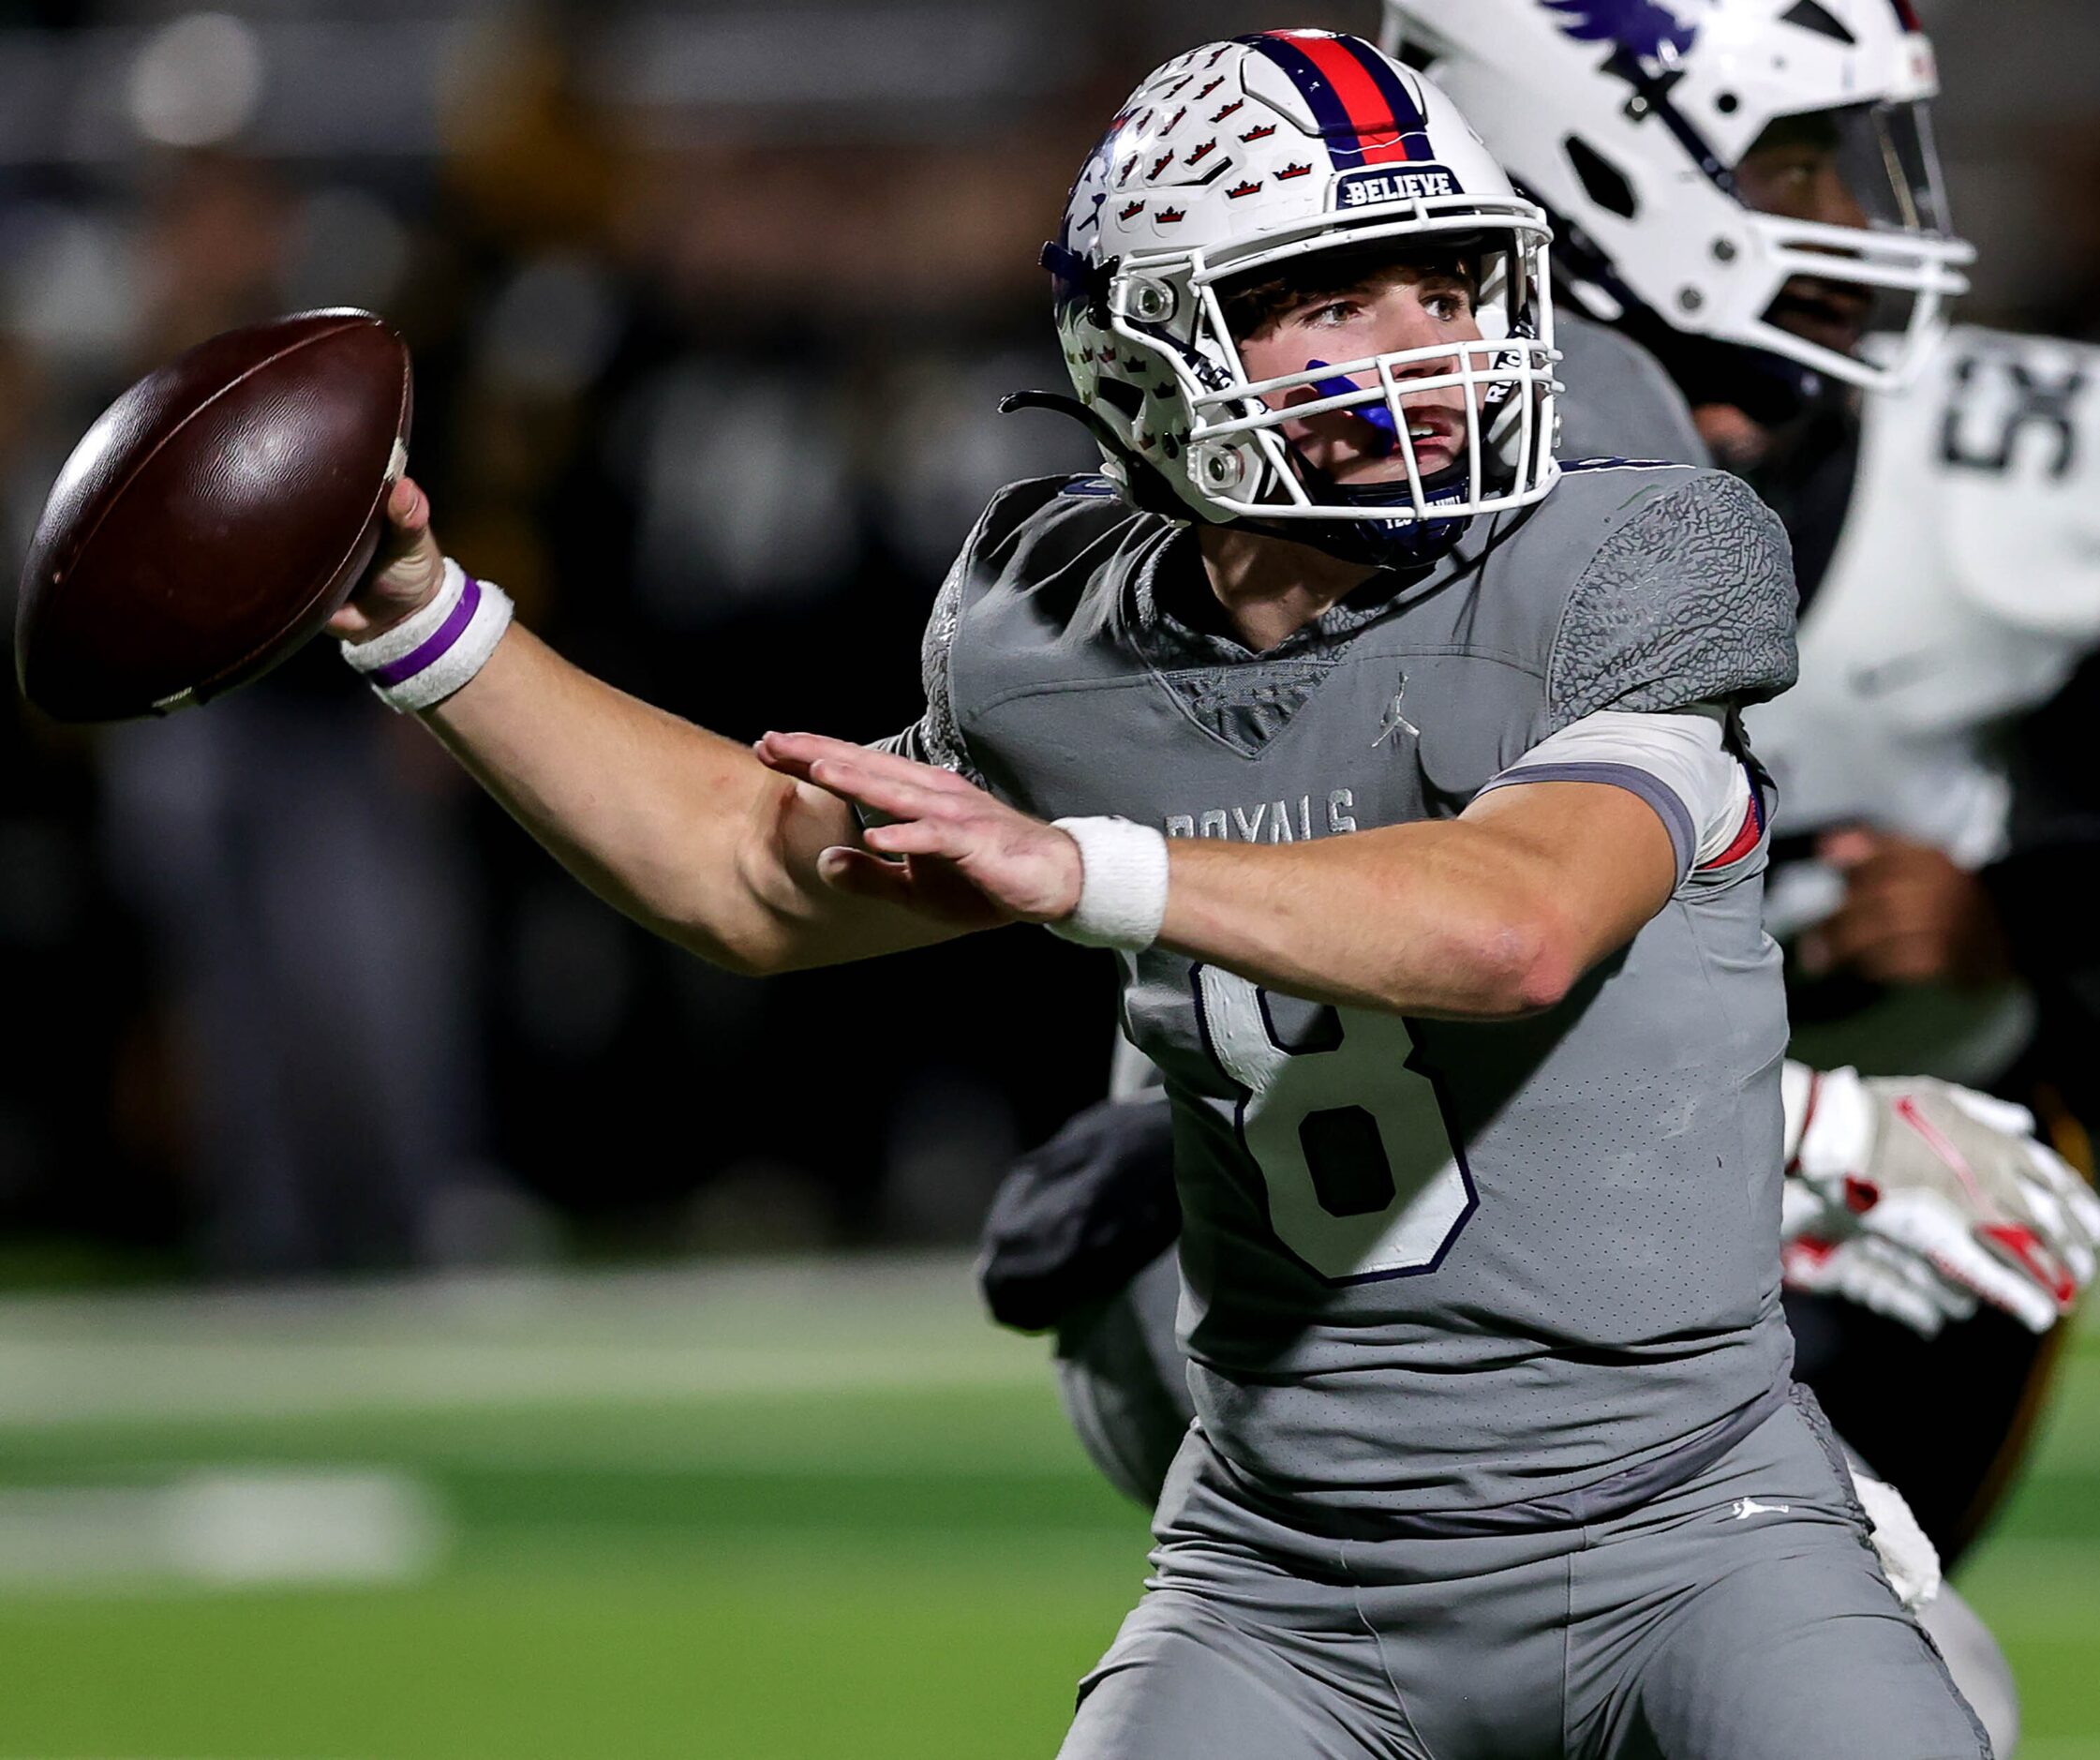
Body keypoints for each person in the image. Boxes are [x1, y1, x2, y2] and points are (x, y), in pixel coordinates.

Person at [335, 30, 1991, 1757]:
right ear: (1150, 349)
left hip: (1688, 1526)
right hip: (1285, 1576)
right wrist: (426, 625)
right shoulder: (1058, 636)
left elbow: (1514, 925)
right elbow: (749, 873)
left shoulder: (1637, 553)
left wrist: (1085, 864)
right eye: (1332, 300)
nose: (1418, 347)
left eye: (1445, 281)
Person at [977, 6, 2100, 1753]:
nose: (1860, 226)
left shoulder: (1968, 448)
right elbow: (1312, 890)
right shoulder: (1389, 473)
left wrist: (2028, 908)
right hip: (1381, 1254)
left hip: (1818, 1238)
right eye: (1795, 165)